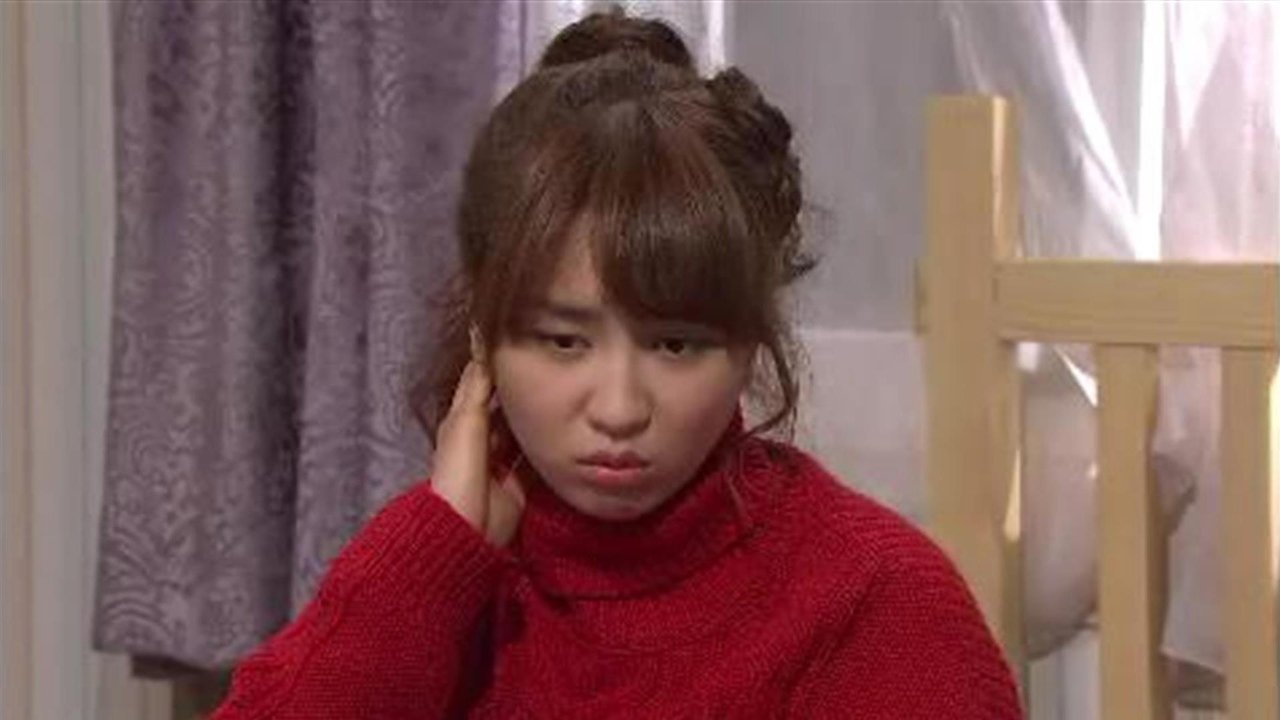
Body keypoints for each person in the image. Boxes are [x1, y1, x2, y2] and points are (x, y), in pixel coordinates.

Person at [212, 8, 1022, 719]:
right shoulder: (433, 582)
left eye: (676, 344)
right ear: (484, 338)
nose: (619, 408)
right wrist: (433, 556)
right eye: (563, 342)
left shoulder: (875, 603)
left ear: (748, 344)